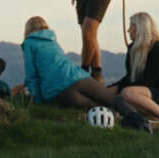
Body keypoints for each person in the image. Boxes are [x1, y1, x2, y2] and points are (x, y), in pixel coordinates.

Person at [15, 16, 150, 130]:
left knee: (96, 108)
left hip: (60, 91)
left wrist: (38, 101)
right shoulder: (53, 41)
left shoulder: (29, 44)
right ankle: (141, 121)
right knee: (111, 99)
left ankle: (117, 122)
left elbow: (32, 76)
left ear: (27, 30)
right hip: (78, 77)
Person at [106, 12, 159, 129]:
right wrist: (114, 87)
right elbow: (129, 77)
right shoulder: (132, 48)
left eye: (131, 26)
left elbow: (149, 81)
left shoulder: (157, 48)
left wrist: (122, 90)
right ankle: (144, 122)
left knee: (127, 93)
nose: (128, 30)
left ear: (140, 28)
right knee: (116, 99)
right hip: (143, 94)